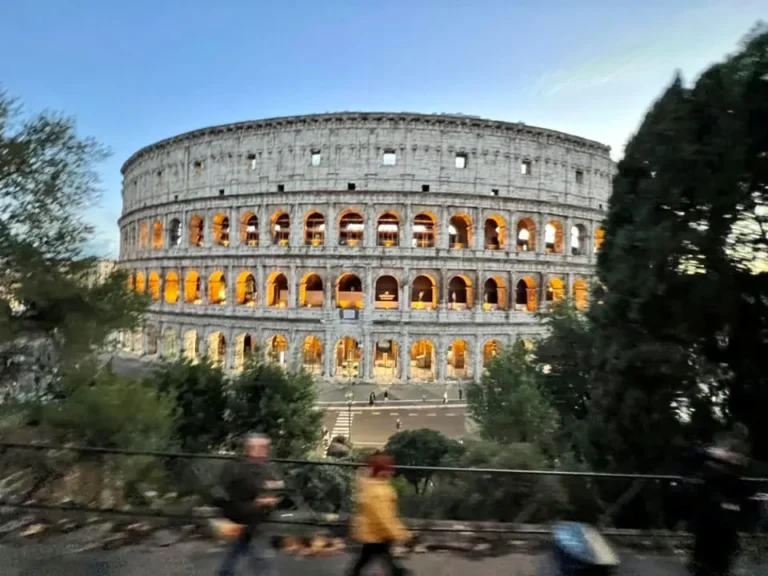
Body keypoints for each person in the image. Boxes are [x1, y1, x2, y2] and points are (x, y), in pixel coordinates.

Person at [216, 433, 284, 576]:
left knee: (240, 549)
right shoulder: (238, 468)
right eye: (262, 447)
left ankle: (225, 573)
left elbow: (277, 484)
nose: (265, 451)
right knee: (262, 558)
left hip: (253, 520)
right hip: (244, 518)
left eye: (266, 447)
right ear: (251, 448)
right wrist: (259, 502)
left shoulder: (263, 465)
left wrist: (273, 489)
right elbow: (234, 499)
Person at [349, 453, 410, 575]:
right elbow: (383, 516)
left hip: (371, 532)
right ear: (381, 471)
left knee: (368, 558)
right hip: (378, 532)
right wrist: (397, 532)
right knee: (377, 557)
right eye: (389, 469)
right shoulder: (379, 491)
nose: (392, 473)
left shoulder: (373, 486)